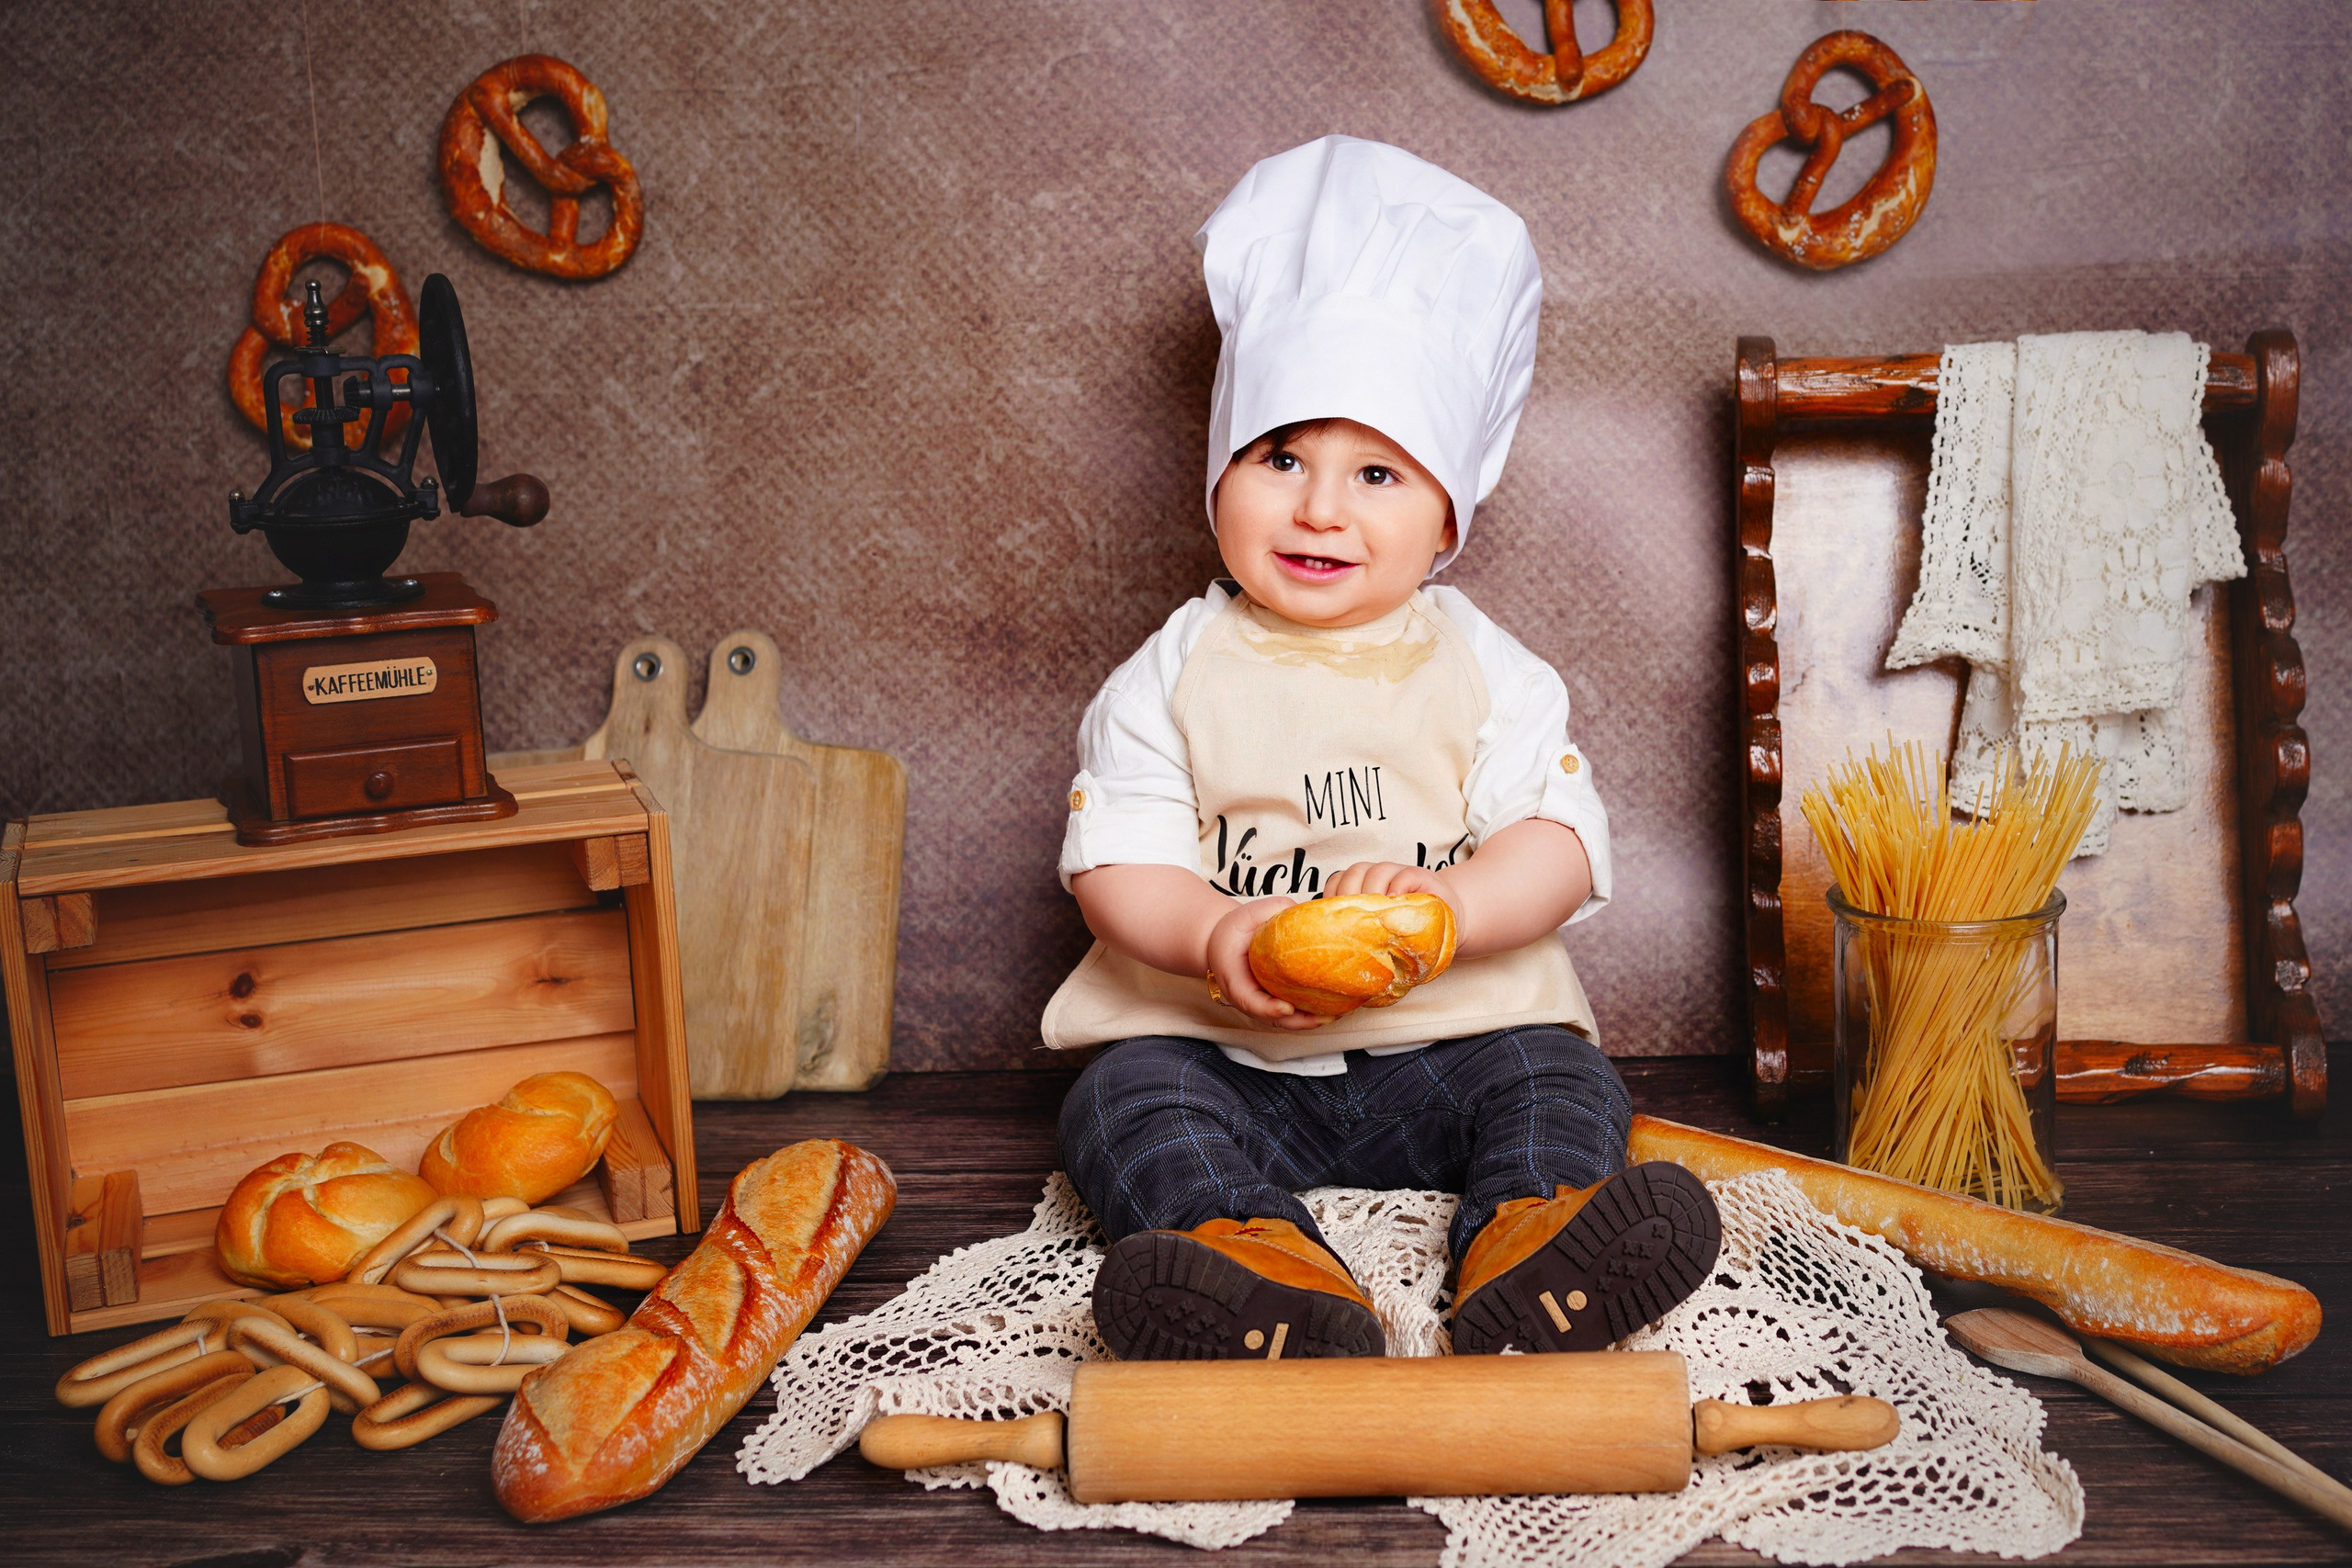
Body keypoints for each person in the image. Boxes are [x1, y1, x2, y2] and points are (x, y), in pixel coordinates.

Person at [1046, 136, 1719, 1361]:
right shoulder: (1172, 668)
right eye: (1280, 458)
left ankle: (1536, 1239)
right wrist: (1212, 935)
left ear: (1448, 510)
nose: (1319, 507)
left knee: (1561, 1083)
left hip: (1449, 1052)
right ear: (1221, 472)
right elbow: (1115, 863)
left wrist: (1453, 902)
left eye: (1376, 472)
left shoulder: (1488, 668)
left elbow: (1558, 846)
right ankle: (1248, 1265)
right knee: (1123, 1098)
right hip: (1227, 1059)